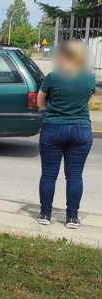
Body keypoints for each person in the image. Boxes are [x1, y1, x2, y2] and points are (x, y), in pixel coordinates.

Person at [36, 40, 96, 229]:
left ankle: (45, 214)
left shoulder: (53, 77)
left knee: (48, 174)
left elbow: (40, 103)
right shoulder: (89, 78)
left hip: (54, 128)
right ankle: (72, 217)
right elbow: (87, 98)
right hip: (81, 130)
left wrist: (54, 110)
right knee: (75, 176)